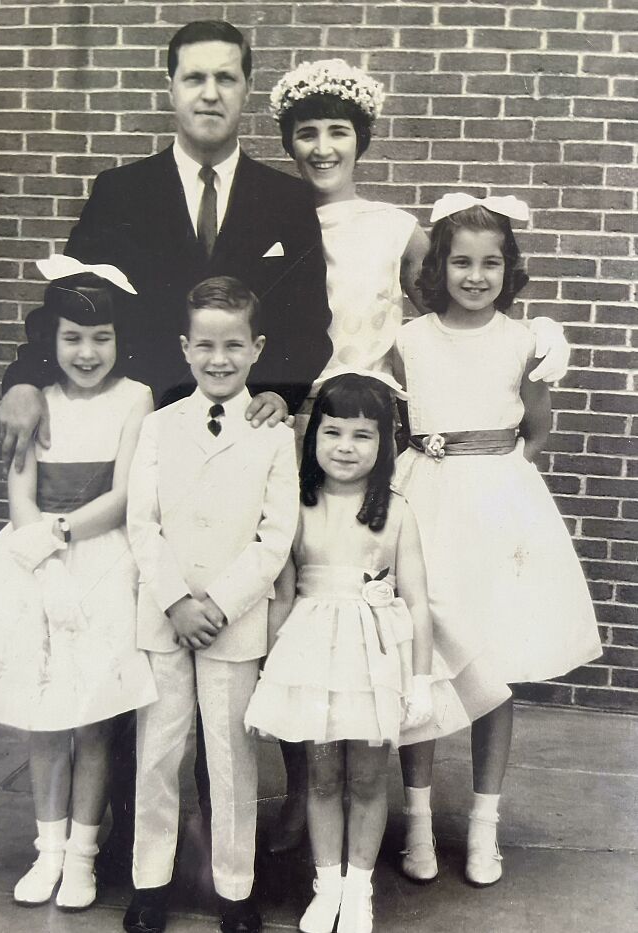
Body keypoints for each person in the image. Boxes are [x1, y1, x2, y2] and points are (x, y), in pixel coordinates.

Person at [0, 19, 331, 882]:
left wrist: (282, 391)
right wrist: (28, 375)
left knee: (236, 650)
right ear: (171, 88)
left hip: (241, 442)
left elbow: (309, 322)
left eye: (226, 78)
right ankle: (109, 833)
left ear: (247, 89)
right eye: (194, 78)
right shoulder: (122, 190)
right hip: (142, 437)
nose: (210, 93)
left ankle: (240, 836)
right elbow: (69, 300)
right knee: (132, 634)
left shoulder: (285, 200)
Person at [265, 56, 573, 854]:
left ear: (361, 140)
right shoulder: (269, 216)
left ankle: (395, 801)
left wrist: (538, 333)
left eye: (339, 131)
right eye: (308, 133)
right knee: (306, 608)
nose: (324, 147)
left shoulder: (395, 227)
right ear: (289, 142)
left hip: (374, 431)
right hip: (295, 425)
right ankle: (304, 791)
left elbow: (455, 300)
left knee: (386, 618)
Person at [244, 372, 508, 933]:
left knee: (366, 779)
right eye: (333, 433)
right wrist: (269, 668)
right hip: (313, 658)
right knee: (321, 778)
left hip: (374, 662)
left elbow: (417, 602)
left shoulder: (397, 510)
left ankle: (358, 890)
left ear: (385, 443)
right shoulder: (296, 506)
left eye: (362, 435)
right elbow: (283, 595)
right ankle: (327, 887)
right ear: (313, 437)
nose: (345, 447)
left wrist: (419, 681)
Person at [393, 194, 602, 888]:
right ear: (439, 268)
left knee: (495, 664)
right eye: (461, 262)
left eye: (490, 263)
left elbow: (536, 430)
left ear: (509, 269)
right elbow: (401, 420)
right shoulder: (411, 340)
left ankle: (484, 825)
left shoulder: (524, 342)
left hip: (498, 509)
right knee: (421, 663)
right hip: (427, 502)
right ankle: (417, 823)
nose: (475, 276)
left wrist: (499, 481)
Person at [0, 260, 158, 911]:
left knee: (92, 719)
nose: (86, 353)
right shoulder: (37, 399)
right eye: (72, 338)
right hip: (36, 562)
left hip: (106, 562)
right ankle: (49, 850)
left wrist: (64, 537)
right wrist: (46, 562)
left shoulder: (136, 397)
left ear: (120, 338)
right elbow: (21, 495)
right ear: (50, 339)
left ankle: (84, 855)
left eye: (100, 338)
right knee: (45, 717)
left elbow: (124, 496)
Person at [124, 276, 299, 933]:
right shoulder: (159, 425)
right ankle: (150, 883)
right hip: (165, 617)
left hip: (233, 620)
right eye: (205, 345)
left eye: (232, 345)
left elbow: (275, 536)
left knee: (231, 758)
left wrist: (220, 603)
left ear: (257, 348)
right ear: (184, 348)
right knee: (158, 754)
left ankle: (234, 887)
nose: (218, 359)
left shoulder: (274, 434)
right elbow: (142, 523)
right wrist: (176, 600)